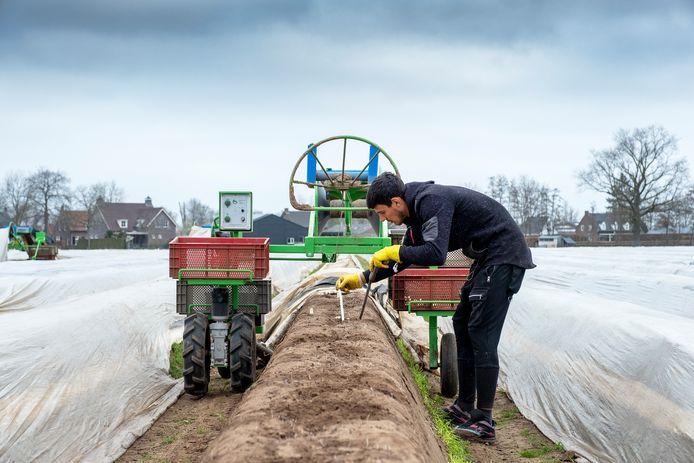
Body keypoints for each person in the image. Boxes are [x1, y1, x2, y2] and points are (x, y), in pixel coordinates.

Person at [336, 172, 534, 443]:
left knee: (481, 334)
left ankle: (484, 421)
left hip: (504, 256)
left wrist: (395, 252)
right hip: (486, 260)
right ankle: (465, 407)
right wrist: (361, 279)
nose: (383, 219)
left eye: (382, 213)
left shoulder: (431, 201)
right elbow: (402, 261)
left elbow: (436, 254)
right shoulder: (414, 216)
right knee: (462, 323)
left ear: (396, 202)